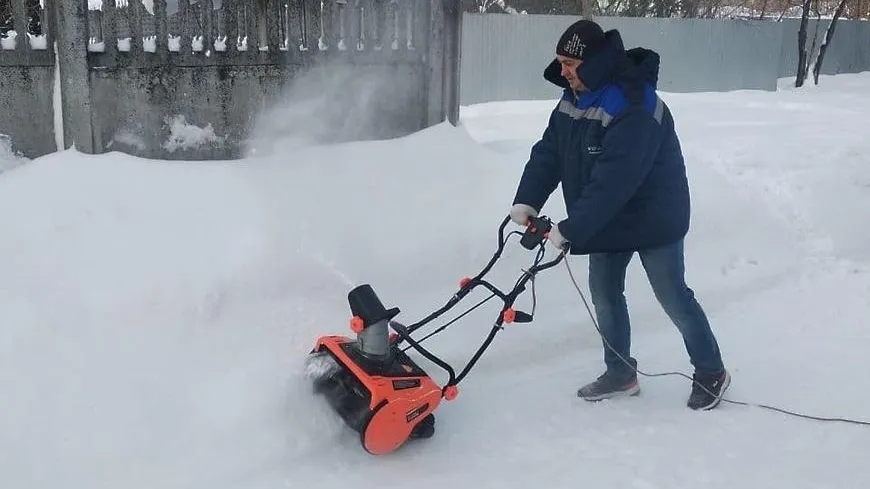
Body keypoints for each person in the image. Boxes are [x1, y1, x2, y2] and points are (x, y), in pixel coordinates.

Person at [508, 19, 730, 410]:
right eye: (559, 61)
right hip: (607, 216)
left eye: (569, 63)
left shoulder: (635, 105)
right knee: (605, 293)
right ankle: (620, 373)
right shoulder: (575, 96)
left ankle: (711, 370)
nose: (562, 71)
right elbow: (550, 151)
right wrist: (527, 200)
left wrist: (572, 228)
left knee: (672, 296)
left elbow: (615, 181)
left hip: (653, 217)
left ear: (593, 63)